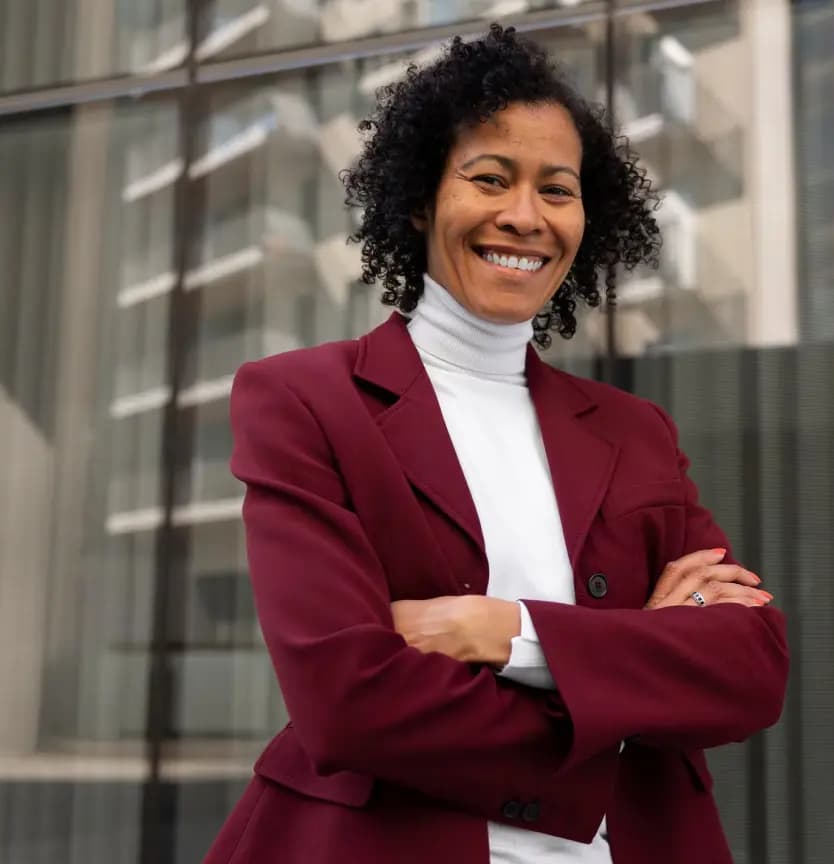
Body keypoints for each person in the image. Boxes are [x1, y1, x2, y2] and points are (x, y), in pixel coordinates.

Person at [204, 24, 788, 864]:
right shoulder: (304, 399)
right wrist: (626, 682)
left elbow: (750, 668)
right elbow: (348, 700)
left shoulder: (636, 431)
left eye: (557, 190)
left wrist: (509, 631)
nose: (524, 215)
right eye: (489, 178)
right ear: (420, 200)